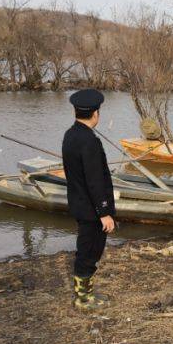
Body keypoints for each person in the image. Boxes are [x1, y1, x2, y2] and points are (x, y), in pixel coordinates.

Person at [62, 89, 116, 311]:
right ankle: (83, 299)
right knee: (90, 252)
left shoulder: (70, 135)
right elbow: (95, 180)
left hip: (79, 203)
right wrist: (104, 212)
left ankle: (86, 294)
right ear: (95, 114)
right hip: (92, 209)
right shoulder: (89, 141)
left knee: (86, 250)